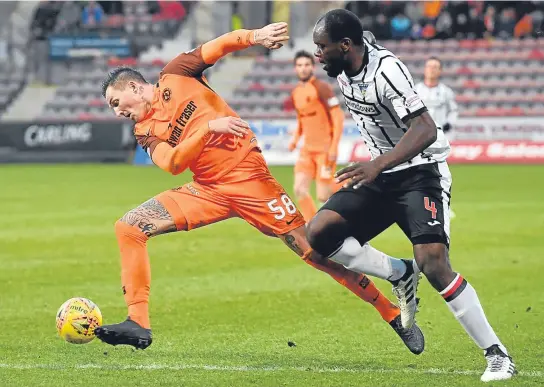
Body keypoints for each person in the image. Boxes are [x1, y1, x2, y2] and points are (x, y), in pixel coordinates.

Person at [94, 22, 425, 354]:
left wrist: (255, 37)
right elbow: (172, 163)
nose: (117, 110)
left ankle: (392, 312)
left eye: (115, 101)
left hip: (250, 179)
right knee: (129, 227)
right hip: (208, 189)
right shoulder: (144, 130)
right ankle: (138, 322)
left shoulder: (177, 73)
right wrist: (208, 129)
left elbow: (217, 46)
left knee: (314, 253)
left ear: (135, 87)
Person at [309, 9, 515, 382]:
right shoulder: (348, 61)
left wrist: (377, 165)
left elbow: (426, 127)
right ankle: (400, 273)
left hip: (420, 173)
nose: (317, 55)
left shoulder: (387, 71)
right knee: (320, 233)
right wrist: (378, 167)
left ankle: (497, 354)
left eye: (321, 48)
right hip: (381, 172)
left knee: (434, 264)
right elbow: (366, 33)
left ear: (344, 45)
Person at [288, 50, 344, 222]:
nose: (303, 69)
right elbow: (301, 118)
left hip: (324, 150)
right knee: (299, 189)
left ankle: (348, 182)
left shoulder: (321, 88)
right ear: (295, 69)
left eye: (306, 65)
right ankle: (312, 224)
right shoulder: (296, 92)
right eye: (300, 65)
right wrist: (296, 139)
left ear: (312, 67)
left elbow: (338, 116)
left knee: (322, 195)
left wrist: (334, 146)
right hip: (307, 150)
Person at [415, 57, 458, 219]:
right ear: (425, 69)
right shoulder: (416, 89)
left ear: (440, 71)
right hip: (418, 138)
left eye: (435, 67)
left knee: (441, 174)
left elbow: (453, 110)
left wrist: (449, 124)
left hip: (438, 139)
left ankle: (443, 205)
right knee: (418, 172)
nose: (432, 70)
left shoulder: (446, 92)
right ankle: (421, 205)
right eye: (429, 66)